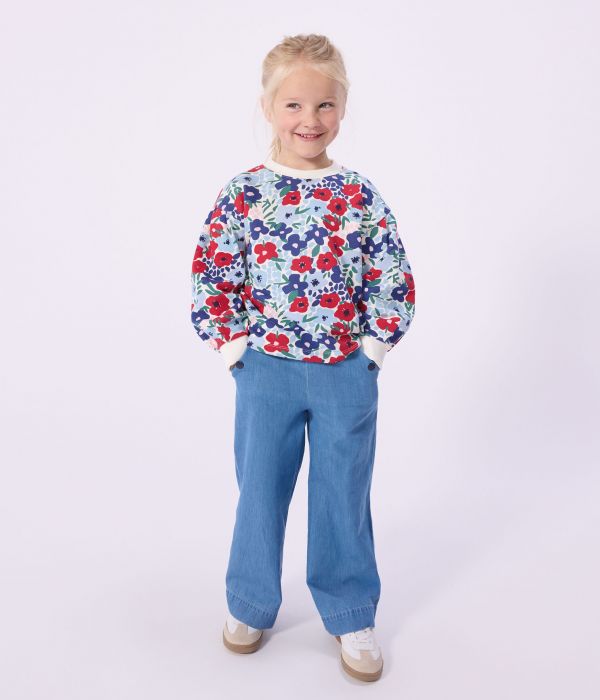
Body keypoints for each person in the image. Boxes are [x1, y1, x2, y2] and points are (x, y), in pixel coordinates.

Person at [190, 33, 416, 682]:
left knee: (343, 495)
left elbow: (390, 273)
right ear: (267, 107)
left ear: (342, 108)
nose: (309, 120)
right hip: (266, 371)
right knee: (259, 491)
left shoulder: (358, 194)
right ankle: (250, 603)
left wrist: (373, 349)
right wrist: (234, 348)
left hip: (346, 372)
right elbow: (213, 273)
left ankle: (350, 612)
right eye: (293, 105)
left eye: (324, 105)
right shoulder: (244, 193)